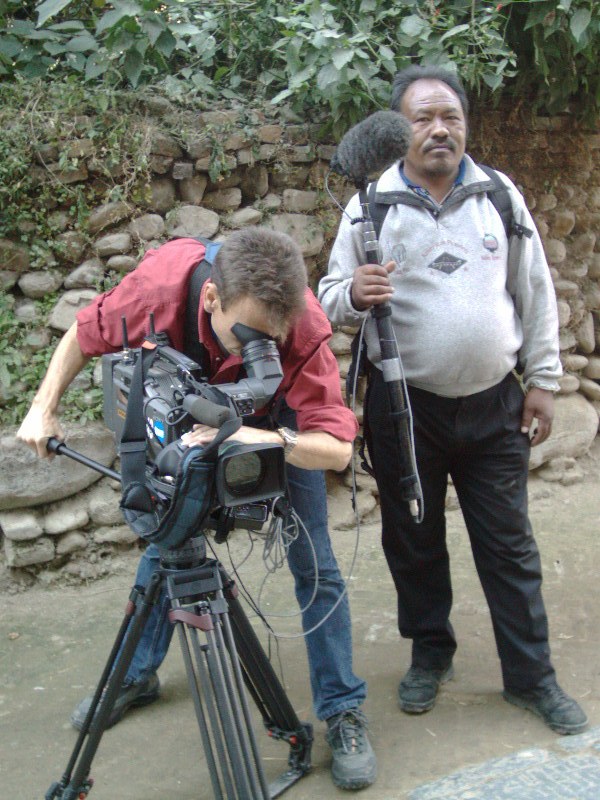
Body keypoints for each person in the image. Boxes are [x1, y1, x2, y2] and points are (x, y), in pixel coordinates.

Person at [17, 227, 377, 791]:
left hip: (276, 430)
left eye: (268, 341)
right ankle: (136, 676)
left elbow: (336, 449)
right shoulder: (158, 288)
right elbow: (84, 334)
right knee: (170, 538)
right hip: (191, 411)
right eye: (243, 337)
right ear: (210, 297)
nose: (253, 350)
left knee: (316, 564)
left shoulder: (300, 320)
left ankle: (342, 708)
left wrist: (266, 441)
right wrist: (43, 408)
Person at [318, 65, 588, 736]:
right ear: (398, 128)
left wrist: (545, 381)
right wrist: (354, 294)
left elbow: (535, 290)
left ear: (466, 125)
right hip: (405, 409)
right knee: (413, 539)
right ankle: (430, 652)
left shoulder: (499, 195)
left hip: (496, 402)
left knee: (510, 545)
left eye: (452, 117)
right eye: (422, 118)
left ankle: (532, 677)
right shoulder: (370, 204)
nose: (439, 129)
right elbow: (325, 297)